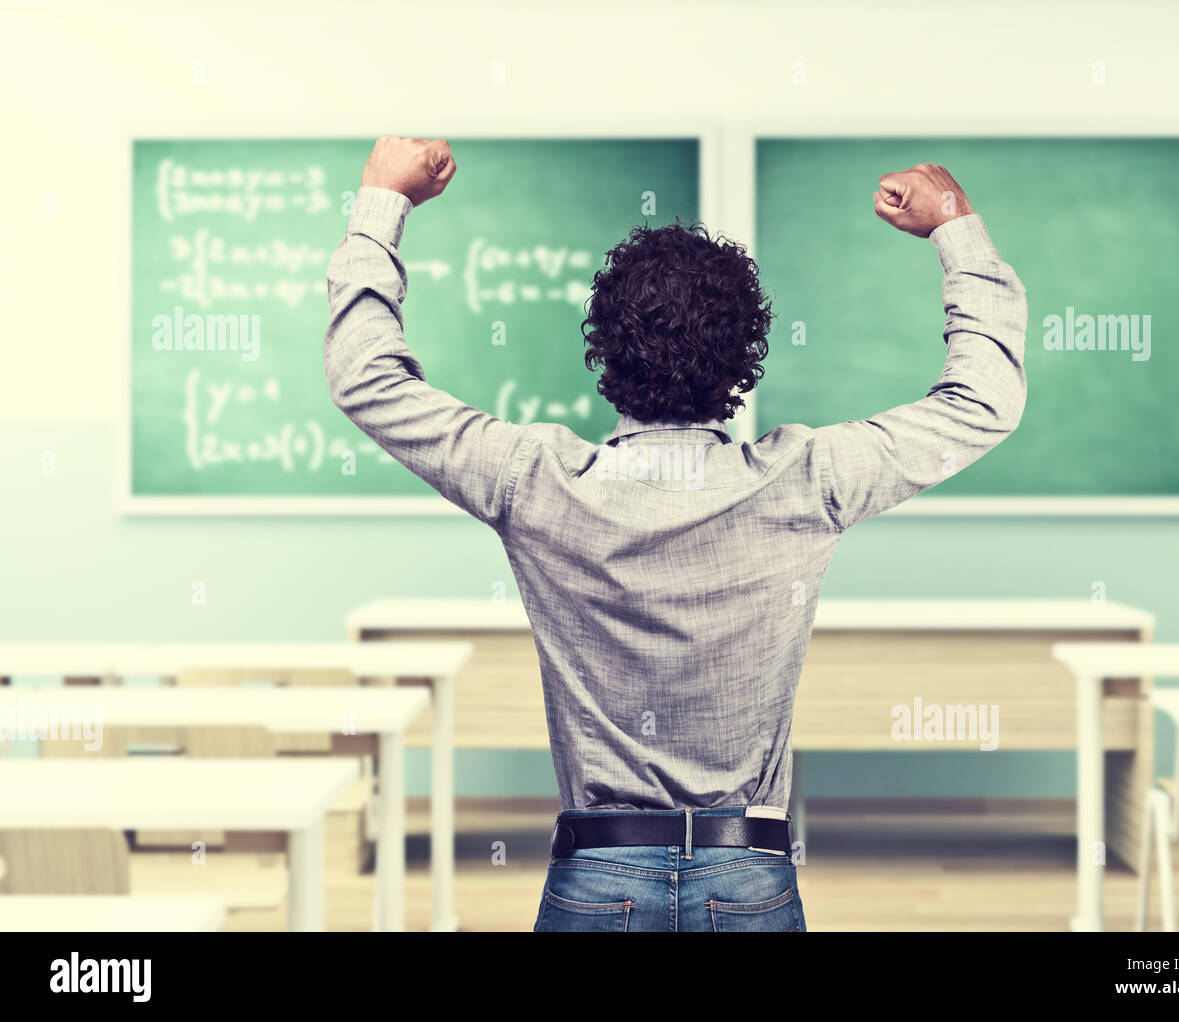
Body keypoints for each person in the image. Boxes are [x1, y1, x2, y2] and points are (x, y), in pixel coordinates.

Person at [324, 136, 1028, 931]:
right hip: (751, 876)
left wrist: (382, 202)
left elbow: (366, 377)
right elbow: (982, 400)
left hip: (596, 874)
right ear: (744, 362)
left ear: (604, 355)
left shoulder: (534, 481)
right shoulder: (805, 480)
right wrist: (956, 230)